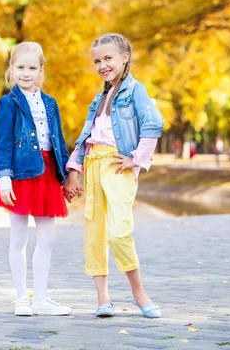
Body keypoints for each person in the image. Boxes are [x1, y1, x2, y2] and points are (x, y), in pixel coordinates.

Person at [63, 33, 164, 319]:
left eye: (108, 58)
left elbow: (154, 123)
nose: (102, 65)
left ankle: (138, 292)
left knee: (119, 231)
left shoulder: (135, 91)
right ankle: (103, 297)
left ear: (124, 57)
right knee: (94, 232)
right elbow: (86, 137)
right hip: (93, 164)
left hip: (117, 165)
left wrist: (137, 159)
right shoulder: (98, 99)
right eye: (97, 60)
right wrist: (74, 171)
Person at [0, 42, 73, 317]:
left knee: (47, 238)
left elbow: (58, 141)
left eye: (32, 68)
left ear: (41, 71)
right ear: (11, 69)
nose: (26, 73)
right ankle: (21, 297)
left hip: (48, 173)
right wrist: (3, 179)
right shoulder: (8, 103)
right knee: (19, 238)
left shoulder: (51, 104)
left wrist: (68, 175)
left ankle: (41, 298)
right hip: (20, 174)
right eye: (20, 67)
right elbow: (3, 143)